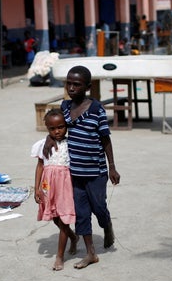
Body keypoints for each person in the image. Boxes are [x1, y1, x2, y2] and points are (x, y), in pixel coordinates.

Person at [44, 65, 120, 269]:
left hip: (96, 172)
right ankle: (90, 253)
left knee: (99, 208)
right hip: (75, 173)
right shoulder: (65, 107)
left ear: (87, 86)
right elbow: (57, 126)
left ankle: (107, 225)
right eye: (68, 83)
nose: (71, 88)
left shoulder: (96, 109)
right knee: (82, 213)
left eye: (76, 84)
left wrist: (112, 167)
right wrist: (48, 138)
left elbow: (105, 139)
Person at [32, 108, 78, 271]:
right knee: (54, 217)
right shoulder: (42, 145)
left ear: (66, 126)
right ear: (47, 128)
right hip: (48, 185)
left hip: (65, 186)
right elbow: (39, 166)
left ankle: (59, 257)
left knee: (64, 219)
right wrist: (36, 188)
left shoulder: (70, 144)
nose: (57, 131)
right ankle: (73, 237)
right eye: (52, 128)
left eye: (61, 127)